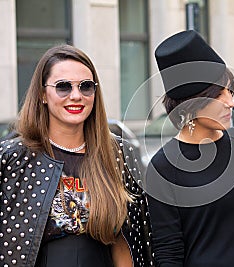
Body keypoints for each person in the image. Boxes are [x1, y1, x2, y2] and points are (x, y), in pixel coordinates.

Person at [0, 44, 154, 266]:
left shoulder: (118, 153)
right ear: (43, 94)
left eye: (86, 86)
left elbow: (127, 240)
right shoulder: (14, 158)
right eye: (63, 86)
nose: (76, 96)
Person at [145, 30, 234, 266]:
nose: (231, 102)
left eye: (230, 91)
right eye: (218, 94)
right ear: (190, 103)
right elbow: (168, 252)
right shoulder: (162, 167)